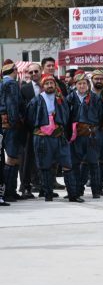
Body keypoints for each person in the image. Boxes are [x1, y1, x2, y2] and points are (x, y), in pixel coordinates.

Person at [25, 74, 79, 202]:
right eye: (47, 84)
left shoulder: (61, 99)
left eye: (52, 83)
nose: (50, 86)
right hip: (42, 138)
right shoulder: (36, 100)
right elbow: (29, 119)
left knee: (67, 164)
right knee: (45, 166)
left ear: (55, 85)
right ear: (43, 86)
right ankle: (48, 194)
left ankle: (72, 195)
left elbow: (67, 117)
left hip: (59, 137)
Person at [67, 72, 103, 200]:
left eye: (84, 83)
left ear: (88, 85)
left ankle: (96, 190)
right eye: (79, 83)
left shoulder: (95, 98)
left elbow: (101, 115)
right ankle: (77, 190)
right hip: (76, 135)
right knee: (75, 163)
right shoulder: (70, 98)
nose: (82, 86)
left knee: (93, 162)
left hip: (92, 134)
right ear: (75, 85)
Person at [1, 60, 26, 204]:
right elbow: (12, 105)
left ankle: (10, 190)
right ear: (14, 71)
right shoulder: (11, 84)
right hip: (11, 125)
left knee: (11, 158)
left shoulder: (2, 83)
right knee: (12, 158)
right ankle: (9, 191)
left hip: (4, 126)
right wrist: (15, 121)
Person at [18, 63, 42, 198]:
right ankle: (25, 187)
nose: (33, 74)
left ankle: (44, 186)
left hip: (47, 129)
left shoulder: (48, 85)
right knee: (27, 159)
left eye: (36, 71)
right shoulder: (25, 89)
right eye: (31, 72)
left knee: (45, 159)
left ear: (41, 71)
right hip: (29, 129)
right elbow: (21, 109)